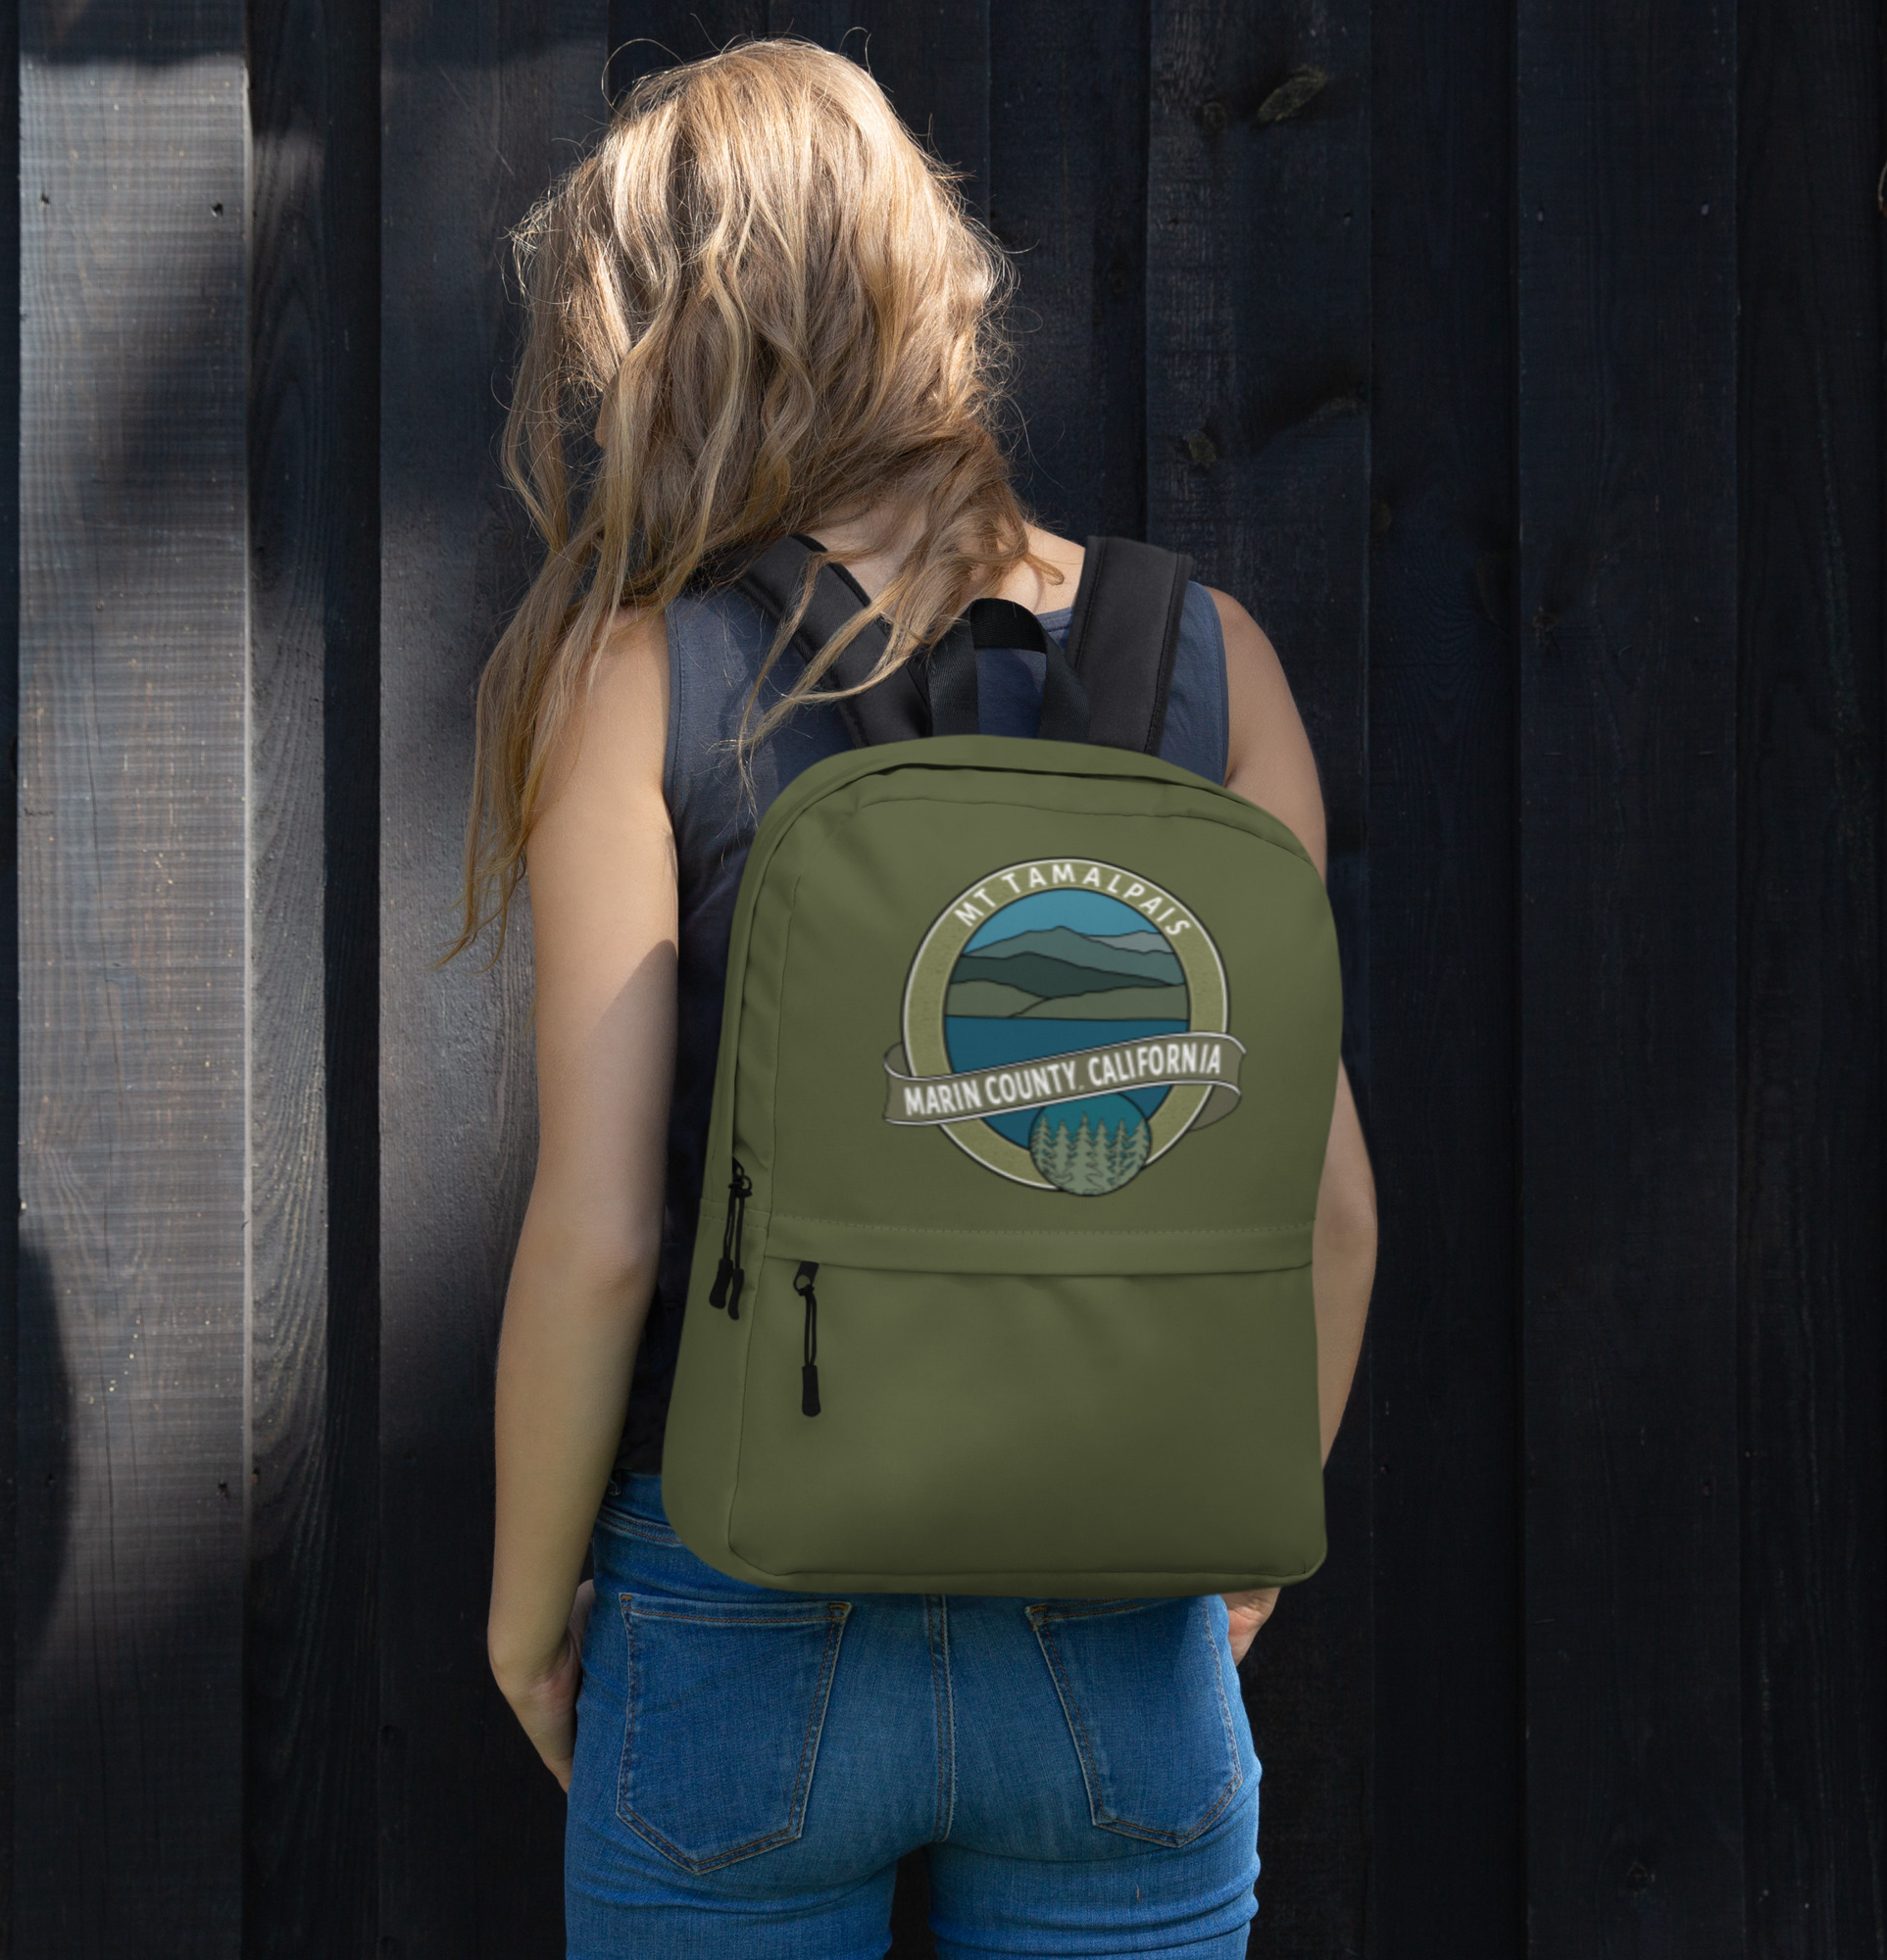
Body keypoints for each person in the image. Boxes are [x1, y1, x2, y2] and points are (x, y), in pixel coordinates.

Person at [452, 38, 1377, 1960]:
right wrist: (1237, 1555)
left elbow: (605, 1235)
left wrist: (530, 1620)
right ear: (932, 286)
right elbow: (1334, 1211)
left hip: (736, 1595)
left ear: (663, 344)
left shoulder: (640, 675)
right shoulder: (1212, 660)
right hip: (1118, 1607)